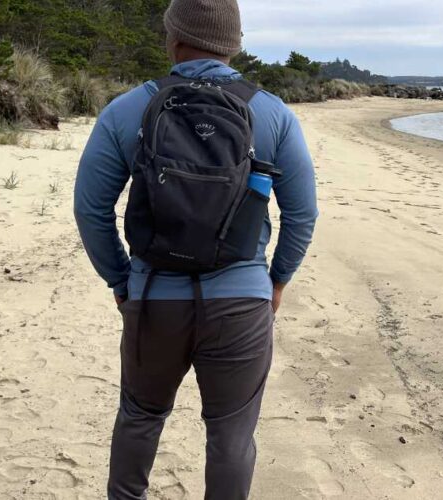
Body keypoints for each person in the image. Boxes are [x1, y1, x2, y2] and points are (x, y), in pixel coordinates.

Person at [73, 0, 318, 497]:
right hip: (241, 301)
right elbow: (302, 214)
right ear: (234, 43)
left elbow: (91, 210)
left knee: (140, 416)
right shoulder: (271, 112)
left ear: (173, 36)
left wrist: (121, 281)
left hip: (153, 297)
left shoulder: (127, 109)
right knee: (230, 434)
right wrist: (276, 280)